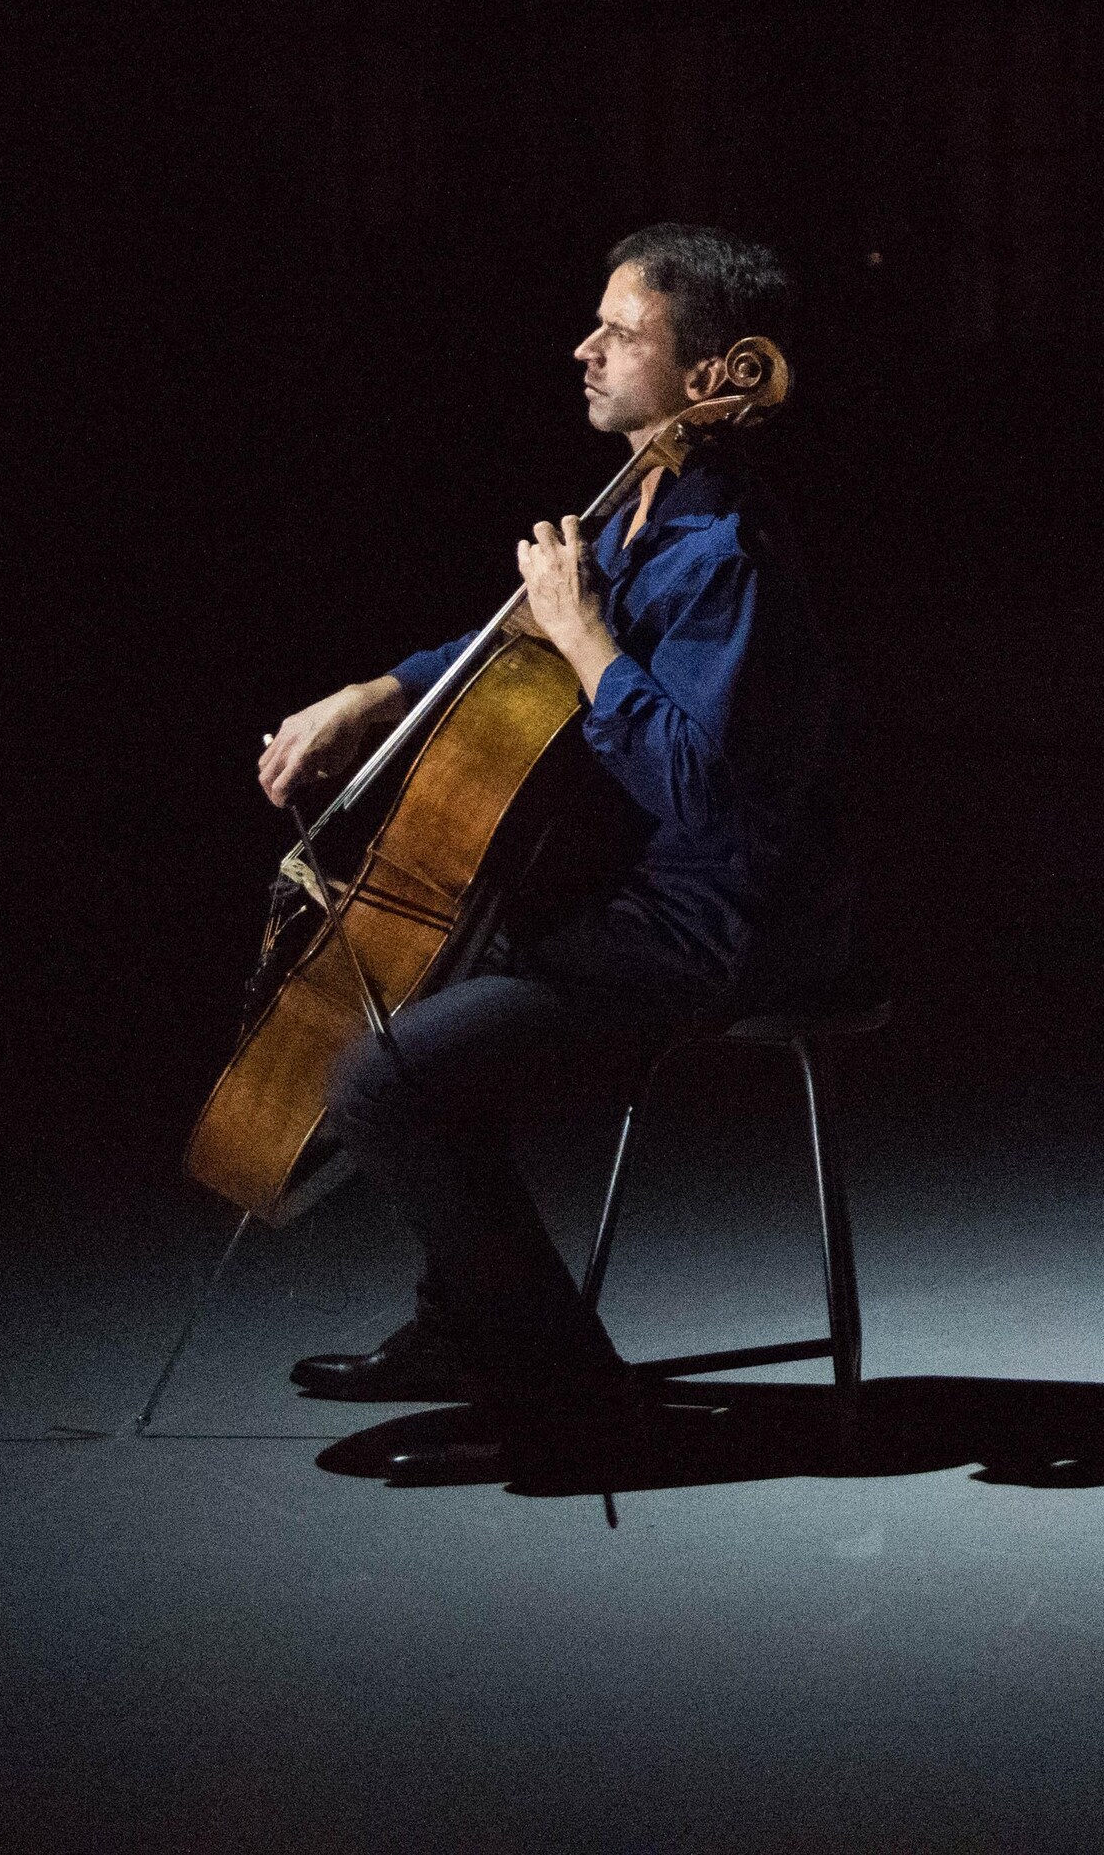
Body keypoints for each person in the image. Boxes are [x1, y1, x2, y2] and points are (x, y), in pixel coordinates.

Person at [255, 224, 858, 1477]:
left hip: (709, 926)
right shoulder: (642, 504)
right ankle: (466, 1329)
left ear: (711, 377)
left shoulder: (726, 554)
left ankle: (578, 1407)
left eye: (622, 332)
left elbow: (699, 796)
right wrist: (374, 691)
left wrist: (589, 640)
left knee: (384, 1080)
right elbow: (517, 652)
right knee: (430, 1006)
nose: (585, 348)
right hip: (612, 899)